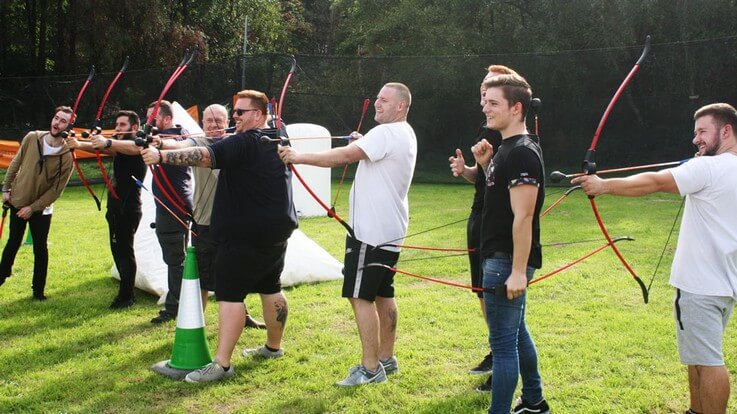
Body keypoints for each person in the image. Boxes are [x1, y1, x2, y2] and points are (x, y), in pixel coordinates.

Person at [572, 103, 737, 414]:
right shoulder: (725, 168)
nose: (696, 139)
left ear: (726, 131)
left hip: (701, 286)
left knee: (709, 360)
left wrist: (604, 185)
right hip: (724, 284)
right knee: (699, 356)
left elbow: (655, 181)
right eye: (695, 132)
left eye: (703, 131)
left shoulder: (708, 169)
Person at [140, 90, 298, 382]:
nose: (235, 117)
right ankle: (273, 348)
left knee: (229, 296)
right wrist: (164, 142)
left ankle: (222, 364)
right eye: (234, 112)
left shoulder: (244, 141)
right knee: (270, 286)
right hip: (275, 232)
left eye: (240, 112)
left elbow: (202, 155)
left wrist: (161, 155)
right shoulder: (277, 137)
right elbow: (196, 142)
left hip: (243, 237)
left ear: (259, 115)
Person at [278, 82, 417, 387]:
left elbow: (342, 157)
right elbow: (372, 149)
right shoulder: (403, 132)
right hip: (390, 230)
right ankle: (386, 359)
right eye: (377, 98)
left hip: (370, 232)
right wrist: (364, 141)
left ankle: (369, 368)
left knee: (359, 295)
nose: (378, 104)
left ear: (401, 106)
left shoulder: (385, 133)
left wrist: (298, 157)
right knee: (383, 293)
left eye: (384, 100)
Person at [471, 74, 549, 413]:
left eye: (494, 103)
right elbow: (498, 197)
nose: (486, 108)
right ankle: (533, 400)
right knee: (516, 333)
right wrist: (485, 165)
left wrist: (518, 271)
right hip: (499, 257)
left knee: (503, 345)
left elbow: (524, 216)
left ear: (516, 108)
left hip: (506, 262)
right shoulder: (505, 149)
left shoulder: (521, 153)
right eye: (485, 101)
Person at [157, 103, 265, 329]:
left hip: (235, 222)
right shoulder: (199, 142)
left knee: (235, 273)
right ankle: (195, 323)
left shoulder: (237, 144)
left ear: (228, 123)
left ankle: (243, 316)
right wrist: (161, 145)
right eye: (209, 121)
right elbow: (181, 145)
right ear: (202, 123)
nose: (214, 125)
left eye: (219, 121)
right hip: (206, 221)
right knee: (203, 276)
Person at [449, 64, 520, 392]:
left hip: (494, 222)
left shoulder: (511, 137)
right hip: (480, 216)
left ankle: (503, 357)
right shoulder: (489, 130)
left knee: (496, 296)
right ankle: (497, 351)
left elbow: (504, 183)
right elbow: (486, 179)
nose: (483, 100)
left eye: (491, 95)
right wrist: (467, 169)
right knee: (481, 291)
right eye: (482, 94)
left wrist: (486, 165)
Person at [67, 110, 147, 309]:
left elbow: (131, 148)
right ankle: (125, 291)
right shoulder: (120, 147)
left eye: (122, 125)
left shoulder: (138, 144)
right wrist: (79, 144)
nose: (117, 128)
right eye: (117, 124)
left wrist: (107, 142)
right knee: (117, 249)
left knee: (124, 251)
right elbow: (107, 149)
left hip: (128, 209)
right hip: (115, 208)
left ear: (134, 128)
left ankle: (126, 296)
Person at [0, 106, 74, 300]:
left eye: (63, 121)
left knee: (40, 249)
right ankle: (2, 275)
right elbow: (16, 162)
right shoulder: (32, 137)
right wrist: (6, 189)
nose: (57, 123)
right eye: (56, 118)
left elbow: (56, 190)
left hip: (42, 209)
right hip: (18, 199)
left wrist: (32, 208)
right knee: (13, 242)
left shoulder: (67, 156)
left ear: (69, 126)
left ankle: (38, 291)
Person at [145, 100, 194, 324]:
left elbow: (174, 143)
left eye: (153, 119)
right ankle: (181, 303)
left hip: (174, 205)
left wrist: (158, 143)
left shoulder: (177, 135)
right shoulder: (162, 135)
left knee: (176, 260)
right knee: (176, 258)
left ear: (166, 119)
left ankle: (175, 308)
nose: (149, 123)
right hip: (171, 204)